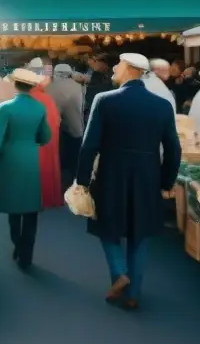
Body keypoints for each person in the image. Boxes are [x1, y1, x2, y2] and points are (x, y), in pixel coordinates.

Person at [75, 53, 181, 310]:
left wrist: (82, 180)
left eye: (118, 64)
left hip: (111, 172)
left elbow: (89, 146)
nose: (113, 67)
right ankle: (133, 294)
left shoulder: (104, 100)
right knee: (140, 233)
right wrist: (166, 182)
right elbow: (173, 149)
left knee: (106, 226)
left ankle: (120, 273)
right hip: (147, 175)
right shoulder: (162, 105)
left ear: (131, 69)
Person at [0, 68, 52, 269]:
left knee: (14, 208)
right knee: (30, 207)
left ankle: (17, 244)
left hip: (9, 161)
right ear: (32, 86)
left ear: (15, 84)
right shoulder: (40, 108)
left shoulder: (5, 107)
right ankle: (27, 254)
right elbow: (46, 137)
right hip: (31, 159)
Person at [27, 64, 63, 208]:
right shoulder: (47, 98)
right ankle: (48, 196)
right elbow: (56, 121)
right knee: (47, 168)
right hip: (47, 142)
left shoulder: (23, 98)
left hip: (29, 143)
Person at [45, 63, 84, 186]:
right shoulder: (79, 87)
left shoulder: (49, 88)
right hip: (76, 127)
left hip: (55, 130)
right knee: (75, 156)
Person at [84, 52, 114, 125]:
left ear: (104, 63)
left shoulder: (112, 76)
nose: (91, 63)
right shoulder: (96, 73)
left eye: (95, 61)